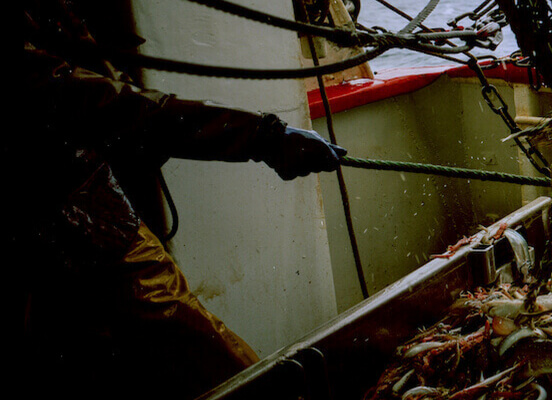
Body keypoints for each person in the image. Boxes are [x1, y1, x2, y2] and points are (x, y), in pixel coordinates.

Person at [13, 1, 348, 399]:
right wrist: (263, 137)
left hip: (82, 204)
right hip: (66, 216)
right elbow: (87, 101)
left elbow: (97, 83)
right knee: (199, 350)